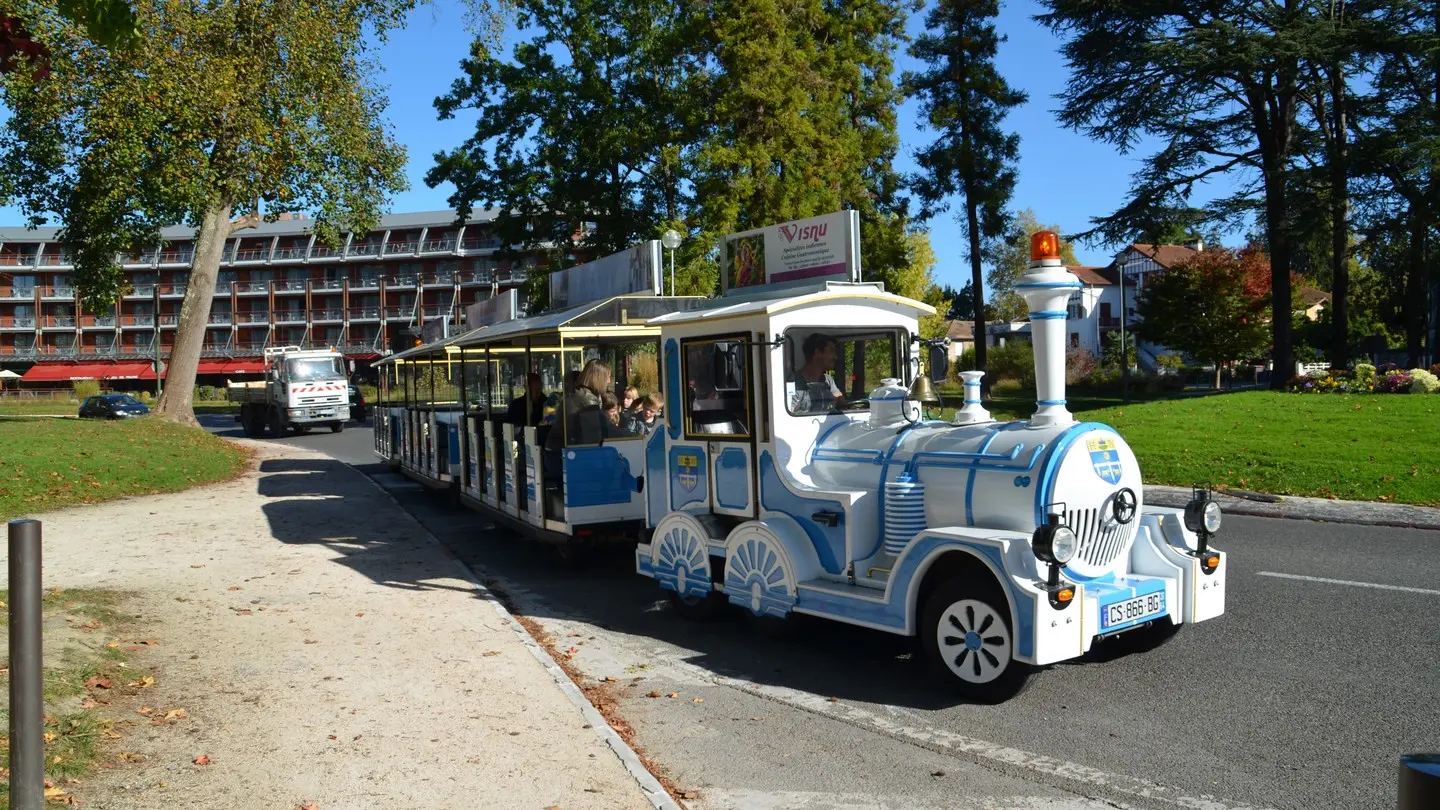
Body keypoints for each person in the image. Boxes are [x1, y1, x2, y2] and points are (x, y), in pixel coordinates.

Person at [790, 332, 845, 413]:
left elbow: (841, 400)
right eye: (831, 351)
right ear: (817, 353)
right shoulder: (793, 383)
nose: (835, 357)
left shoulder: (828, 380)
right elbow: (789, 416)